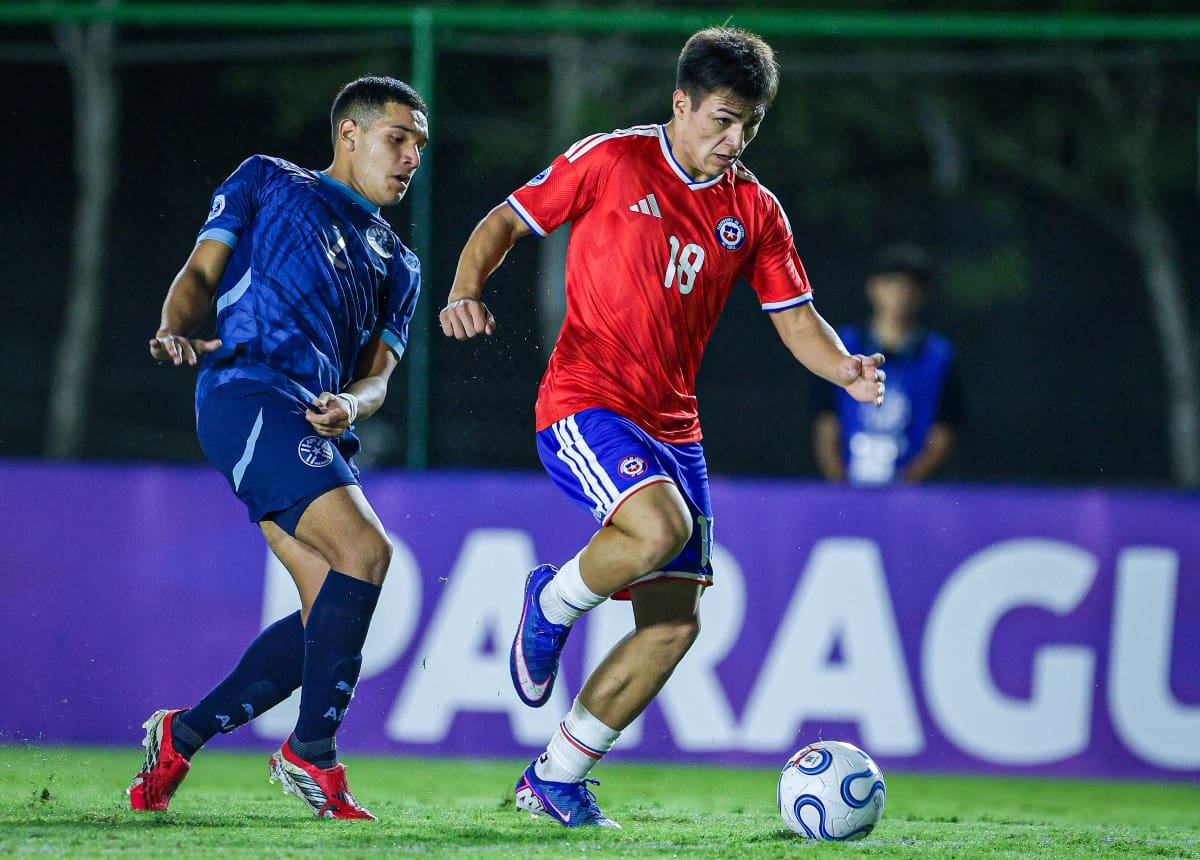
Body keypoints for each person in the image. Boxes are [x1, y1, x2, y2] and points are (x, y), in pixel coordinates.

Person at [440, 27, 885, 829]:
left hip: (674, 430)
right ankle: (552, 603)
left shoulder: (754, 208)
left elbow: (797, 319)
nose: (734, 139)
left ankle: (557, 777)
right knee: (656, 528)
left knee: (675, 624)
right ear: (680, 105)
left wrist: (845, 367)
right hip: (584, 400)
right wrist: (466, 285)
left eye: (748, 123)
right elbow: (505, 222)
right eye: (720, 119)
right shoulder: (611, 160)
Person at [127, 76, 428, 820]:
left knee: (329, 609)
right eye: (398, 138)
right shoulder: (268, 179)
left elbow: (379, 380)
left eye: (420, 145)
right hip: (247, 392)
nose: (411, 156)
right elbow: (202, 271)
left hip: (315, 420)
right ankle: (311, 755)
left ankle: (181, 735)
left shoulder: (402, 264)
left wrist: (349, 403)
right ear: (349, 135)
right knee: (367, 552)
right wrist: (174, 323)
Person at [812, 243, 961, 485]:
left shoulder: (939, 357)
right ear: (873, 287)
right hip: (848, 484)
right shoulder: (842, 345)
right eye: (892, 283)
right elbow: (826, 424)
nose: (901, 295)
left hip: (910, 491)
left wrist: (904, 486)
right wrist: (839, 486)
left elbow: (942, 435)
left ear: (924, 295)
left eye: (910, 287)